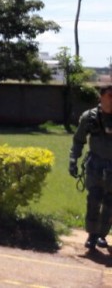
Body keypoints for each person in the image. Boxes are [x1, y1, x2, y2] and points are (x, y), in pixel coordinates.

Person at [70, 84, 112, 250]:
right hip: (95, 165)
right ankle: (92, 235)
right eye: (110, 95)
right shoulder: (90, 117)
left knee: (110, 202)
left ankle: (102, 235)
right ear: (101, 97)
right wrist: (73, 159)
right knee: (93, 199)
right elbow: (78, 140)